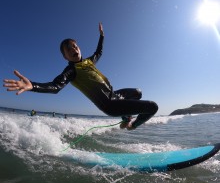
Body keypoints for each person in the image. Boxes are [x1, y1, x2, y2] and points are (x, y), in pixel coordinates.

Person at [3, 23, 158, 130]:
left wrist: (102, 36)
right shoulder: (71, 71)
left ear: (79, 48)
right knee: (152, 107)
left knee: (137, 92)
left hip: (115, 95)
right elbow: (56, 86)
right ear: (65, 57)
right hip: (109, 104)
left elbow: (99, 52)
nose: (73, 50)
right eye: (68, 50)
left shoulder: (89, 61)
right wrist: (33, 86)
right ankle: (132, 126)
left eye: (75, 46)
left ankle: (125, 119)